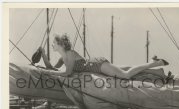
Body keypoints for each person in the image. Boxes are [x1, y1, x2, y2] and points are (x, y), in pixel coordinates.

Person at [36, 33, 168, 79]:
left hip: (98, 65)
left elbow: (67, 73)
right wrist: (43, 54)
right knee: (127, 69)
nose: (52, 45)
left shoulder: (69, 55)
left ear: (60, 44)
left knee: (125, 75)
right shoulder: (62, 58)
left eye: (53, 43)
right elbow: (52, 68)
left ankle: (155, 63)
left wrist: (49, 74)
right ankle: (155, 66)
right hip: (95, 65)